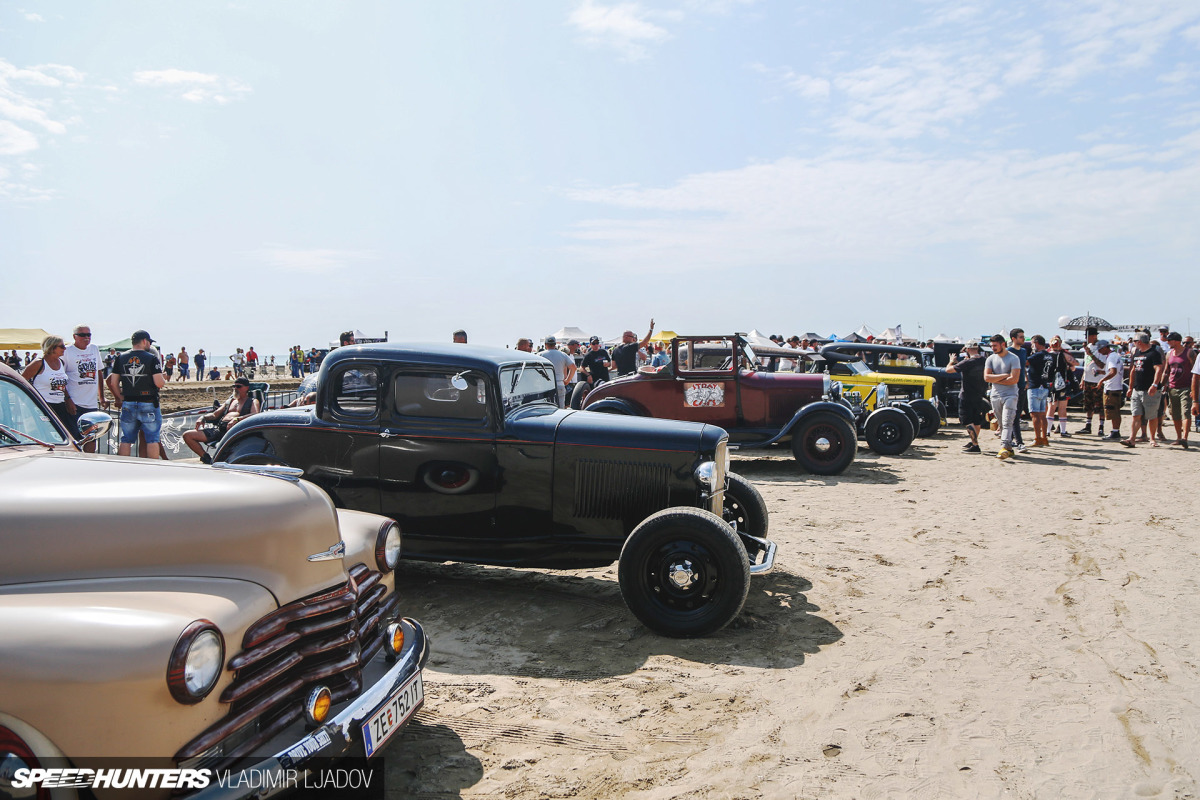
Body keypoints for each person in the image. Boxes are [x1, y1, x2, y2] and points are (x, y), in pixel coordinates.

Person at [106, 331, 165, 458]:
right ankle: (152, 468)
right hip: (148, 402)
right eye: (149, 342)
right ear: (144, 341)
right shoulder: (151, 358)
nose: (149, 344)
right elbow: (159, 383)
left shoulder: (120, 358)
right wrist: (163, 378)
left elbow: (113, 382)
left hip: (129, 401)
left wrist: (120, 397)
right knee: (152, 439)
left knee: (126, 439)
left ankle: (124, 467)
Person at [183, 377, 260, 464]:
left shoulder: (252, 401)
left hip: (235, 432)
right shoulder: (230, 401)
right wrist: (203, 418)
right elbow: (214, 415)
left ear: (247, 388)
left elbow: (255, 414)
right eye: (234, 386)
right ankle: (206, 458)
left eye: (238, 386)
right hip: (219, 430)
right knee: (188, 435)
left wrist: (237, 419)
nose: (235, 388)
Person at [63, 325, 109, 450]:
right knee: (74, 437)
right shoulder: (67, 351)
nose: (86, 338)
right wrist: (68, 399)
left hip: (91, 403)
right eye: (82, 335)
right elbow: (61, 376)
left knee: (91, 437)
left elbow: (99, 373)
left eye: (89, 335)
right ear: (75, 337)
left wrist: (102, 397)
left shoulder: (94, 349)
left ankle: (90, 461)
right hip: (75, 401)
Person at [1121, 332, 1166, 448]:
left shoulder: (1154, 353)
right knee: (1136, 415)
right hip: (1137, 389)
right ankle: (1132, 439)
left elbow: (1159, 369)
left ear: (1139, 342)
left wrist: (1155, 385)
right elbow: (1133, 371)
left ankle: (1152, 439)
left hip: (1150, 389)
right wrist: (1130, 387)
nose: (1134, 344)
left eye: (1134, 342)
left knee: (1152, 415)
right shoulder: (1136, 353)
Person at [983, 334, 1021, 460]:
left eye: (995, 345)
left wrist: (996, 378)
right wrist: (1005, 375)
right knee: (1001, 423)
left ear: (1003, 344)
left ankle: (1004, 446)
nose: (993, 348)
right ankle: (1009, 448)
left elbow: (1014, 379)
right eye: (991, 346)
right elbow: (986, 377)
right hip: (995, 395)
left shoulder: (1014, 358)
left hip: (1011, 394)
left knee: (1007, 420)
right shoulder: (990, 359)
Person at [23, 335, 74, 430]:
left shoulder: (61, 362)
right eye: (62, 346)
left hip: (60, 405)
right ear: (52, 347)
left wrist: (68, 399)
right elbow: (21, 380)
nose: (65, 348)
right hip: (43, 405)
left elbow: (62, 385)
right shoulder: (39, 363)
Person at [945, 340, 987, 453]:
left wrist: (951, 361)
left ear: (967, 350)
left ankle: (975, 444)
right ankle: (974, 441)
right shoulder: (983, 360)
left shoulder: (967, 363)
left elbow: (948, 370)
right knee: (976, 420)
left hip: (967, 395)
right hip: (979, 394)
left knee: (967, 420)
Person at [1163, 332, 1193, 448]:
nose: (1168, 342)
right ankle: (1179, 437)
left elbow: (1195, 371)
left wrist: (1194, 388)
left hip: (1186, 387)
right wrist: (1162, 384)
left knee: (1185, 412)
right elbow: (1167, 371)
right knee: (1175, 413)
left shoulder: (1189, 353)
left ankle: (1185, 437)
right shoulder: (1169, 354)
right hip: (1172, 387)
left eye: (1169, 340)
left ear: (1176, 341)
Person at [1077, 327, 1106, 435]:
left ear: (1094, 336)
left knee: (1100, 404)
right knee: (1088, 404)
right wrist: (1082, 379)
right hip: (1088, 379)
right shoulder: (1088, 347)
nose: (1086, 338)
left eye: (1088, 336)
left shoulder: (1101, 347)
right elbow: (1086, 365)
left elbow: (1102, 365)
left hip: (1098, 380)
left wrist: (1091, 354)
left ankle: (1101, 427)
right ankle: (1088, 425)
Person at [1045, 336, 1076, 437]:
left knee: (1051, 407)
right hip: (1063, 384)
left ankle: (1047, 431)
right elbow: (1075, 364)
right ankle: (1062, 431)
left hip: (1050, 384)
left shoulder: (1046, 355)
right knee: (1062, 408)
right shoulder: (1064, 355)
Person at [1025, 335, 1053, 446]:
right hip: (1045, 386)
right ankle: (1044, 438)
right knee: (1042, 414)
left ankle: (1037, 438)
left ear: (1036, 343)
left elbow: (1025, 363)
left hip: (1035, 386)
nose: (1032, 346)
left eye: (1032, 343)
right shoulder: (1049, 356)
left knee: (1034, 414)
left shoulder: (1037, 355)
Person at [1098, 340, 1125, 441]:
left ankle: (1115, 431)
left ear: (1105, 347)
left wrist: (1102, 380)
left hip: (1112, 387)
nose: (1100, 352)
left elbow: (1113, 372)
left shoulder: (1111, 357)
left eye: (1100, 349)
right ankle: (1115, 430)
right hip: (1116, 386)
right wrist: (1101, 372)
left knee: (1112, 410)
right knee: (1115, 410)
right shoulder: (1115, 355)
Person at [538, 336, 576, 408]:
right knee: (560, 408)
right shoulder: (562, 354)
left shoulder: (540, 355)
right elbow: (573, 368)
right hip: (559, 384)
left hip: (545, 385)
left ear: (546, 344)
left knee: (547, 408)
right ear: (555, 344)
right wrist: (567, 380)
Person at [1007, 328, 1028, 451]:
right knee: (1013, 415)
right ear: (1013, 338)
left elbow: (1023, 366)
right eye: (1021, 337)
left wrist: (1026, 380)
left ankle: (1012, 439)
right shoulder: (1009, 352)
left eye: (1023, 337)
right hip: (1011, 387)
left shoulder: (1024, 351)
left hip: (1021, 386)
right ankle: (1019, 442)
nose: (1023, 339)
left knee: (1017, 414)